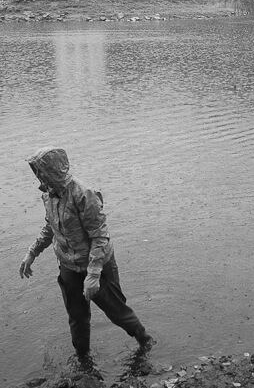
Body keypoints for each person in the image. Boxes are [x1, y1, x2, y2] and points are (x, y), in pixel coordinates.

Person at [19, 146, 153, 366]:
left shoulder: (84, 194)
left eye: (41, 171)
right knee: (77, 318)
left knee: (117, 312)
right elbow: (50, 227)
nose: (38, 176)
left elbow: (100, 236)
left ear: (53, 170)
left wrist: (93, 274)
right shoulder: (48, 195)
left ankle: (145, 341)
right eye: (36, 171)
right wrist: (31, 253)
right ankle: (83, 362)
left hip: (98, 265)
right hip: (69, 267)